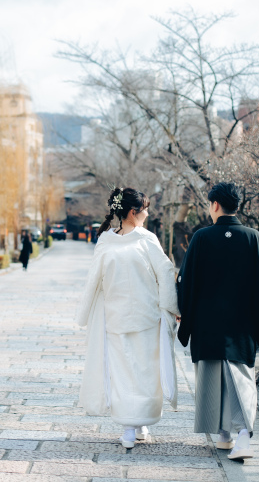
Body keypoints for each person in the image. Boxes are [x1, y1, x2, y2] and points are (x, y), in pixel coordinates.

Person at [177, 182, 259, 461]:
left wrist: (182, 314)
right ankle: (240, 436)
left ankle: (228, 436)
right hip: (243, 323)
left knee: (213, 376)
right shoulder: (253, 237)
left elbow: (186, 283)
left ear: (214, 205)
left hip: (208, 322)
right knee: (241, 377)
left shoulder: (201, 238)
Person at [76, 187, 180, 449]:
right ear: (133, 213)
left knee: (134, 372)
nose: (147, 213)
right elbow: (165, 273)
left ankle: (134, 425)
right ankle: (133, 425)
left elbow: (165, 272)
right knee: (135, 372)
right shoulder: (135, 240)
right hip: (131, 318)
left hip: (133, 318)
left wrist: (169, 309)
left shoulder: (128, 240)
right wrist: (173, 308)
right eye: (144, 209)